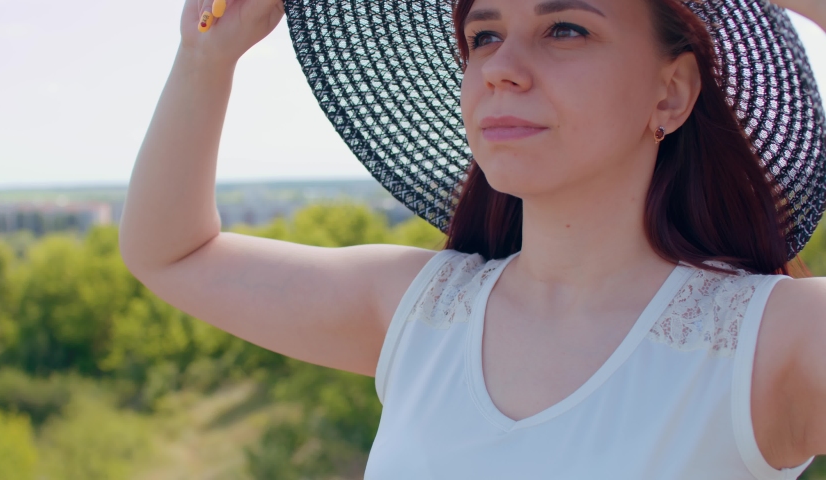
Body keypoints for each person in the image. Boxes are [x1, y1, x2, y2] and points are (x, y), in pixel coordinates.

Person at [118, 0, 826, 477]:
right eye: (483, 35)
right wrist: (206, 55)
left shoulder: (771, 342)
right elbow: (172, 252)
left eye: (566, 29)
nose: (499, 68)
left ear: (670, 92)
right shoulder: (420, 311)